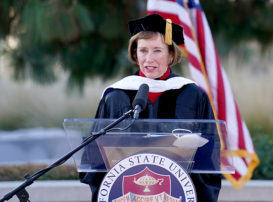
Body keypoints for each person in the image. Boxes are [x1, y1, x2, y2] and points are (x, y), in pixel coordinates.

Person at [80, 13, 221, 201]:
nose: (149, 59)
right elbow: (95, 157)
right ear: (134, 53)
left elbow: (208, 156)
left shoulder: (193, 95)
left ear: (171, 54)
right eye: (143, 50)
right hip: (125, 195)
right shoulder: (115, 95)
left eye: (157, 50)